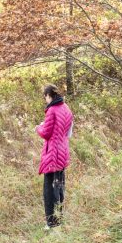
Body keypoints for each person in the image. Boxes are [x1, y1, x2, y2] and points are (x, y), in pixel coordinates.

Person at [36, 84, 73, 228]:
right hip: (63, 151)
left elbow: (46, 133)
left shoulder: (51, 110)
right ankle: (59, 219)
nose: (45, 100)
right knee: (59, 187)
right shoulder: (66, 108)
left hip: (52, 154)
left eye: (45, 97)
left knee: (49, 190)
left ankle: (52, 223)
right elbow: (68, 130)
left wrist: (39, 127)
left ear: (48, 95)